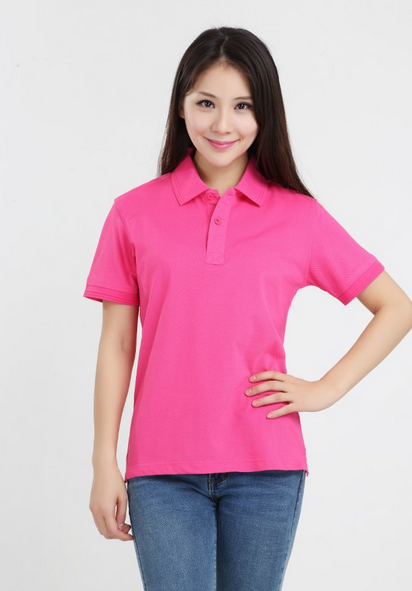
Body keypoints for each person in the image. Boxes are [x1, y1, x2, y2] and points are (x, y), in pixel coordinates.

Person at [83, 26, 412, 591]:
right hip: (161, 471)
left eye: (243, 106)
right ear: (181, 105)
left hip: (267, 468)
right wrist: (103, 462)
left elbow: (395, 307)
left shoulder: (299, 217)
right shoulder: (133, 214)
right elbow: (117, 343)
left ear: (265, 115)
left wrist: (325, 389)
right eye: (206, 103)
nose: (222, 124)